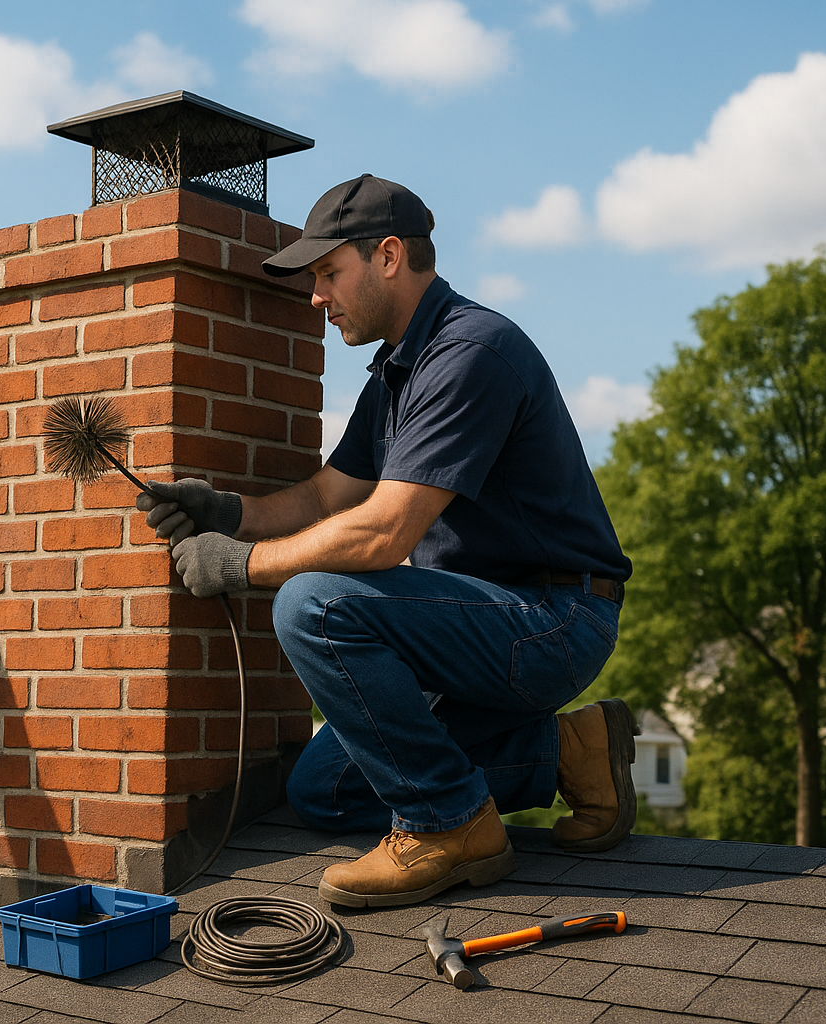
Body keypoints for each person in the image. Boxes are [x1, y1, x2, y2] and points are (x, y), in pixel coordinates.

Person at [137, 174, 637, 909]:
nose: (316, 297)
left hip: (551, 621)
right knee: (323, 789)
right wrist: (227, 512)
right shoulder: (398, 371)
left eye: (329, 273)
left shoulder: (472, 352)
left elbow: (382, 531)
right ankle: (571, 754)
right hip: (470, 626)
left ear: (390, 256)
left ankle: (448, 824)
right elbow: (326, 496)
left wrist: (244, 567)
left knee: (314, 605)